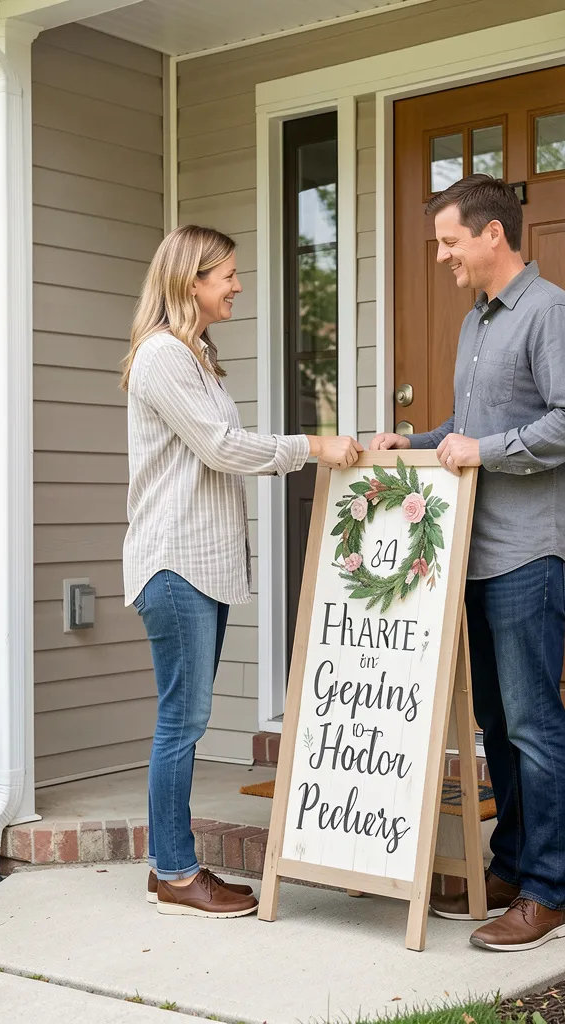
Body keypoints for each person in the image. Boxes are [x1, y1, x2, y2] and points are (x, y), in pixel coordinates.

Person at [371, 175, 565, 952]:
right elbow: (471, 428)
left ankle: (547, 891)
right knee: (495, 721)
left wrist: (483, 449)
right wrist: (421, 442)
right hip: (471, 552)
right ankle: (508, 867)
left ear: (492, 235)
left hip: (531, 552)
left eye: (448, 241)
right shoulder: (477, 324)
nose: (442, 257)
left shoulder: (553, 313)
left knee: (535, 723)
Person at [120, 224, 362, 919]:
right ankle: (174, 872)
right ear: (190, 280)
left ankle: (168, 864)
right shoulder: (164, 356)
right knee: (183, 721)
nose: (237, 285)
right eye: (227, 274)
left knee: (183, 718)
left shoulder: (194, 356)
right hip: (174, 564)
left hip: (201, 564)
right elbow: (222, 447)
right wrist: (311, 445)